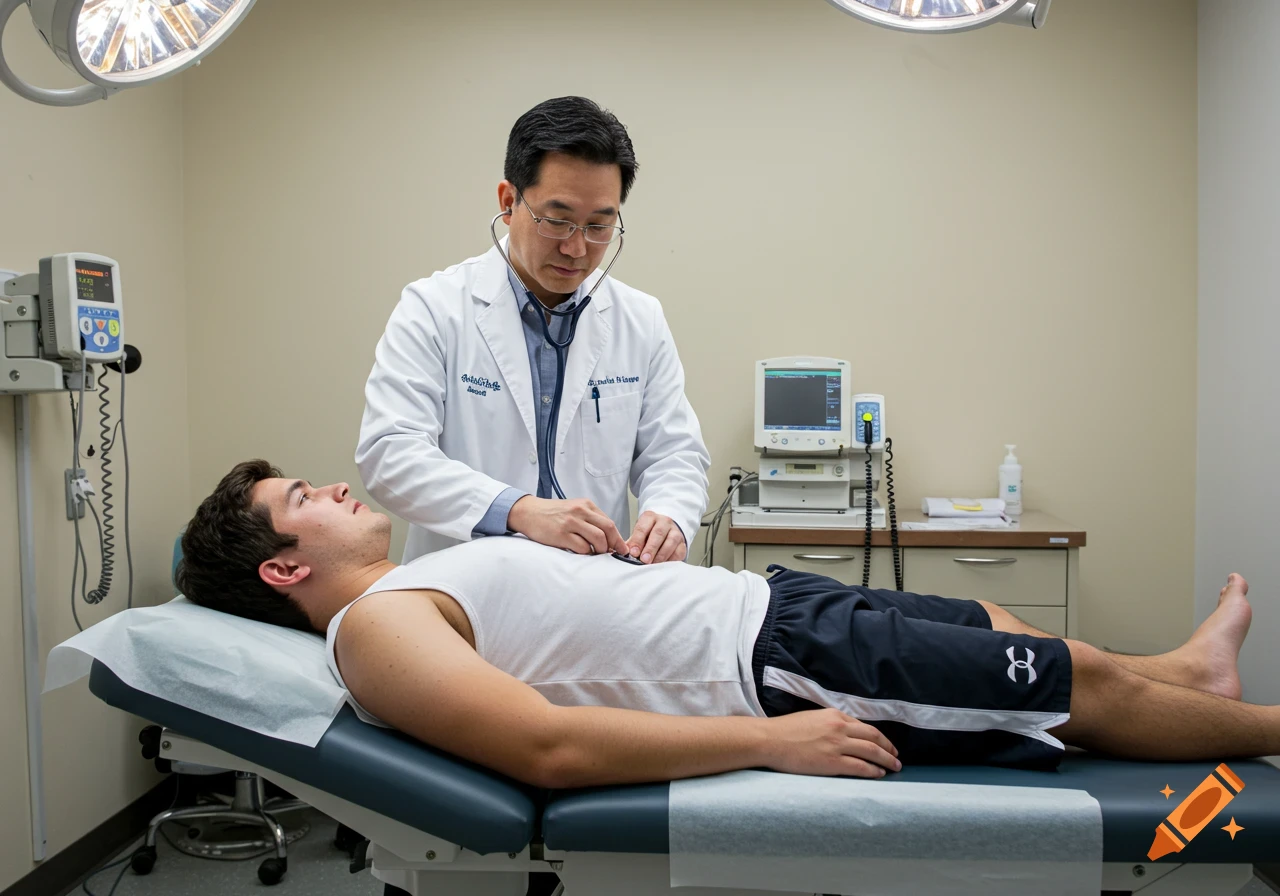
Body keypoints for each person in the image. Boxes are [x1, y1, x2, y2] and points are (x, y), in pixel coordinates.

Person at [175, 460, 1277, 789]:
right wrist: (767, 738)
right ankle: (1261, 724)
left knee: (989, 618)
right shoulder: (372, 628)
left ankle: (1184, 670)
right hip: (777, 665)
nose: (328, 485)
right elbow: (540, 744)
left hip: (772, 605)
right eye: (303, 499)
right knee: (1066, 678)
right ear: (283, 563)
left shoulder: (409, 578)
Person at [356, 96, 710, 566]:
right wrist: (518, 510)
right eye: (557, 220)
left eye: (599, 225)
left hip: (595, 591)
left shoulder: (639, 319)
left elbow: (674, 453)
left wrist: (669, 517)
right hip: (466, 586)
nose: (577, 248)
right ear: (508, 202)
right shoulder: (435, 308)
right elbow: (390, 454)